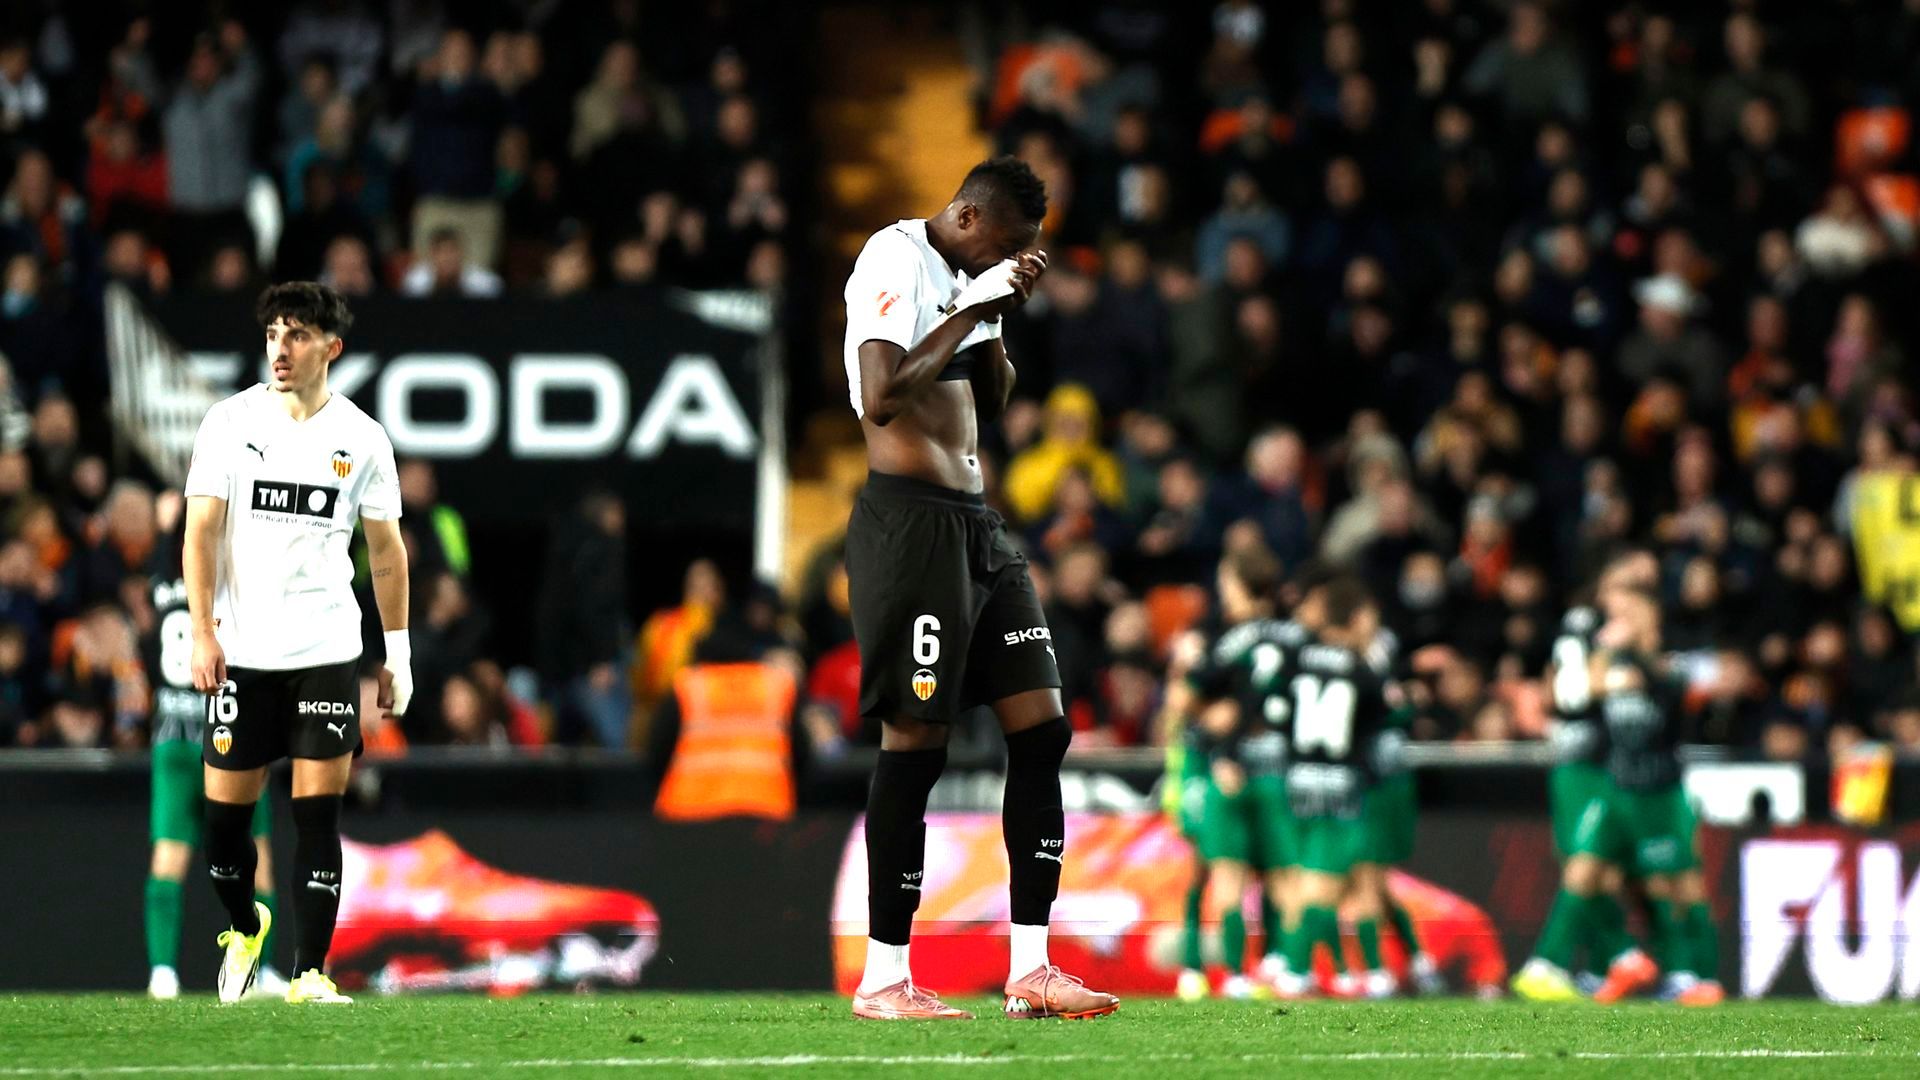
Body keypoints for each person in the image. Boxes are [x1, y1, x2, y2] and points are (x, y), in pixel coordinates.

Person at [841, 156, 1118, 1020]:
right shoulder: (892, 259)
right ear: (965, 216)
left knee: (1043, 729)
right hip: (910, 525)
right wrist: (971, 304)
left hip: (978, 524)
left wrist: (995, 320)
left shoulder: (969, 281)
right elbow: (882, 396)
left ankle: (1031, 967)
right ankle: (885, 975)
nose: (1004, 258)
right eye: (1003, 244)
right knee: (917, 741)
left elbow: (993, 401)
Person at [184, 282, 411, 1005]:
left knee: (318, 815)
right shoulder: (230, 421)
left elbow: (386, 552)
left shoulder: (363, 437)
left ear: (330, 349)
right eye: (275, 334)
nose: (281, 349)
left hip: (324, 651)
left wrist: (397, 652)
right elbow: (200, 531)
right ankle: (246, 924)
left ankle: (311, 972)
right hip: (243, 655)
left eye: (299, 335)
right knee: (223, 836)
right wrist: (203, 630)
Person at [143, 490, 286, 1001]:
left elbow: (169, 561)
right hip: (227, 732)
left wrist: (164, 531)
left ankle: (163, 973)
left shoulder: (160, 583)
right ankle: (261, 971)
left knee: (169, 858)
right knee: (259, 858)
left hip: (172, 740)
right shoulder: (229, 584)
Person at [1512, 551, 1662, 1003]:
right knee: (1587, 864)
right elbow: (1571, 687)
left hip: (1600, 763)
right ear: (1605, 589)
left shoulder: (1593, 627)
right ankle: (1601, 959)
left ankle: (1595, 963)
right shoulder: (1596, 630)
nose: (1628, 596)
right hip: (1589, 761)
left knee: (1597, 867)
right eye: (1622, 586)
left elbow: (1556, 683)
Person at [1578, 586, 1723, 1006]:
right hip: (1618, 790)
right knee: (1586, 876)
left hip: (1659, 790)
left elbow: (1670, 687)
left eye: (1630, 611)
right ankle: (1626, 958)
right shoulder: (1615, 660)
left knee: (1678, 885)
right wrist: (1608, 651)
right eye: (1616, 612)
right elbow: (1591, 687)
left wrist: (1632, 663)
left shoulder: (1669, 663)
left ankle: (1698, 976)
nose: (1619, 619)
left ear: (1651, 616)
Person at [1171, 545, 1300, 1000]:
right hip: (1285, 769)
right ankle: (1285, 967)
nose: (1222, 593)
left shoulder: (1226, 640)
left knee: (1217, 871)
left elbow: (1184, 702)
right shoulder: (1298, 637)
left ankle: (1228, 972)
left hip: (1229, 767)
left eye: (1227, 583)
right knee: (1285, 876)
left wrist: (1207, 708)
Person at [1266, 577, 1397, 999]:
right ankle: (1295, 968)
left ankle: (1312, 967)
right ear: (1356, 618)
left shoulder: (1296, 659)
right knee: (1324, 883)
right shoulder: (1362, 669)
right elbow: (1385, 720)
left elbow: (1273, 708)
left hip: (1298, 779)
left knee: (1312, 877)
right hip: (1341, 784)